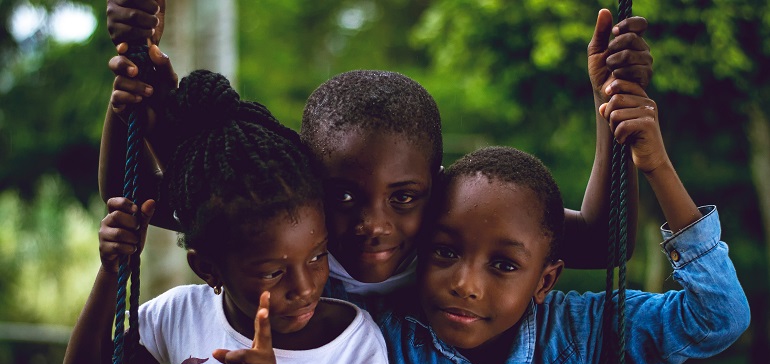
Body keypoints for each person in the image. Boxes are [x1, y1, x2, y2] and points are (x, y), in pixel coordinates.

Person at [98, 4, 651, 316]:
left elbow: (607, 242)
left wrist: (611, 112)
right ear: (311, 183)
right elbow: (141, 198)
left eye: (404, 197)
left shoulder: (451, 224)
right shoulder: (282, 228)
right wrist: (135, 85)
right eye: (342, 196)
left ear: (434, 185)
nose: (374, 224)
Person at [378, 80, 751, 364]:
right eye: (446, 252)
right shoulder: (386, 338)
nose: (465, 285)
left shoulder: (581, 332)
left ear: (544, 281)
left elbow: (717, 316)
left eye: (504, 265)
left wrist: (656, 165)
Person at [60, 70, 398, 364]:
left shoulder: (354, 342)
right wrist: (113, 271)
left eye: (317, 257)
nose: (304, 287)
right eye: (272, 272)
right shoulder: (183, 316)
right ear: (207, 269)